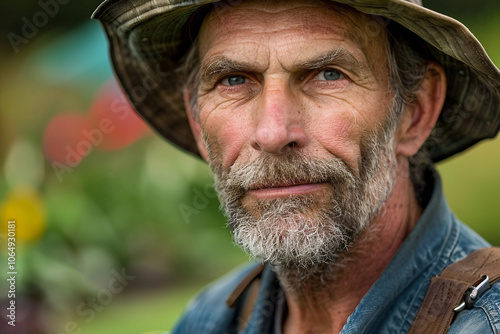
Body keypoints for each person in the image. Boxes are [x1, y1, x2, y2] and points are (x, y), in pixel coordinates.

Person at [92, 0, 500, 332]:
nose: (273, 133)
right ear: (197, 119)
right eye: (234, 80)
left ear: (415, 110)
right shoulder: (209, 319)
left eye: (327, 74)